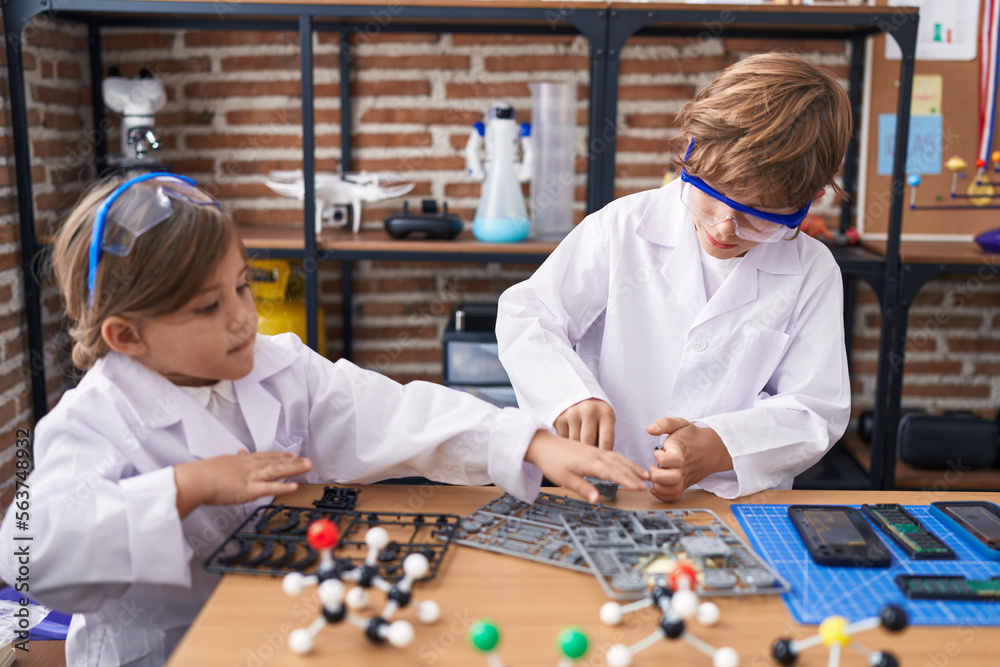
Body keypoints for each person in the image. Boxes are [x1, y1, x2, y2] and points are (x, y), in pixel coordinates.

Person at [0, 172, 648, 667]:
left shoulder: (277, 365)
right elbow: (27, 552)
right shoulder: (94, 419)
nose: (243, 317)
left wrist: (530, 443)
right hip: (160, 651)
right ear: (127, 335)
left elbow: (393, 411)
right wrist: (190, 485)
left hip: (268, 619)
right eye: (207, 307)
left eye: (242, 286)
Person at [496, 53, 852, 502]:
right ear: (691, 152)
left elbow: (815, 411)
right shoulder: (622, 227)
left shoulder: (813, 272)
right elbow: (528, 315)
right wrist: (567, 393)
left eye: (758, 215)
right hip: (607, 492)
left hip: (734, 502)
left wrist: (719, 447)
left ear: (809, 200)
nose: (725, 226)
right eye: (712, 193)